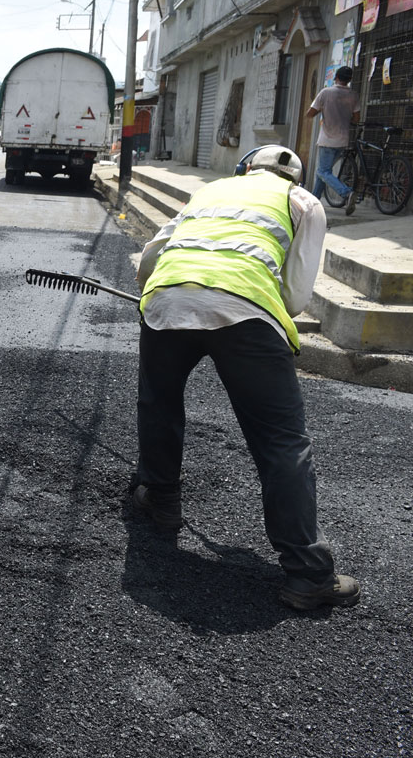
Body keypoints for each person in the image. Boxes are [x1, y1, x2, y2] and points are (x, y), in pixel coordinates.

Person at [131, 144, 360, 612]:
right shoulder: (303, 203)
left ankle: (160, 499)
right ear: (293, 179)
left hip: (167, 298)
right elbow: (295, 297)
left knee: (160, 401)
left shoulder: (210, 190)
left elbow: (150, 259)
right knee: (281, 441)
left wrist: (177, 296)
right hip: (247, 313)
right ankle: (306, 573)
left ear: (245, 169)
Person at [306, 66, 361, 215]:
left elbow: (310, 114)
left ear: (336, 77)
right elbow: (356, 119)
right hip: (343, 140)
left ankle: (346, 193)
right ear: (349, 79)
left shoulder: (326, 92)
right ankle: (314, 201)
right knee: (323, 172)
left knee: (323, 171)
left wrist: (322, 109)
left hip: (327, 140)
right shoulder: (353, 95)